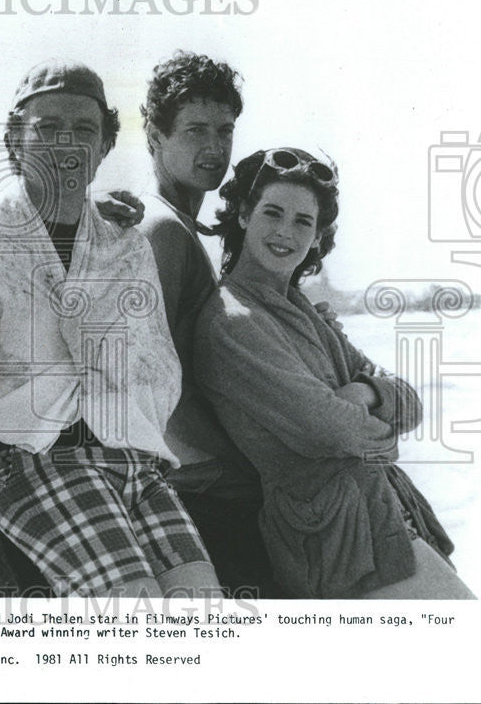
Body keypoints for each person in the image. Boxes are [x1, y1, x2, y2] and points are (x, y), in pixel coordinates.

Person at [0, 60, 219, 597]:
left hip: (129, 458)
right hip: (30, 463)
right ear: (15, 139)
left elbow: (153, 362)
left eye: (84, 130)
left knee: (201, 602)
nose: (67, 144)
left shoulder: (124, 243)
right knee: (132, 607)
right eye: (47, 128)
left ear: (104, 146)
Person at [193, 147, 474, 598]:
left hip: (383, 511)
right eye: (273, 213)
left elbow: (412, 403)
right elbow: (329, 430)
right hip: (335, 540)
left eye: (304, 221)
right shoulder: (233, 321)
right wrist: (378, 429)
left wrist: (362, 393)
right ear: (244, 215)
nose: (286, 232)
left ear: (319, 235)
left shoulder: (302, 309)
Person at [136, 50, 282, 596]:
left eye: (225, 130)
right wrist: (240, 468)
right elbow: (154, 379)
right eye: (195, 130)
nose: (214, 147)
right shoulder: (161, 231)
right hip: (200, 487)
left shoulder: (188, 228)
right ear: (155, 135)